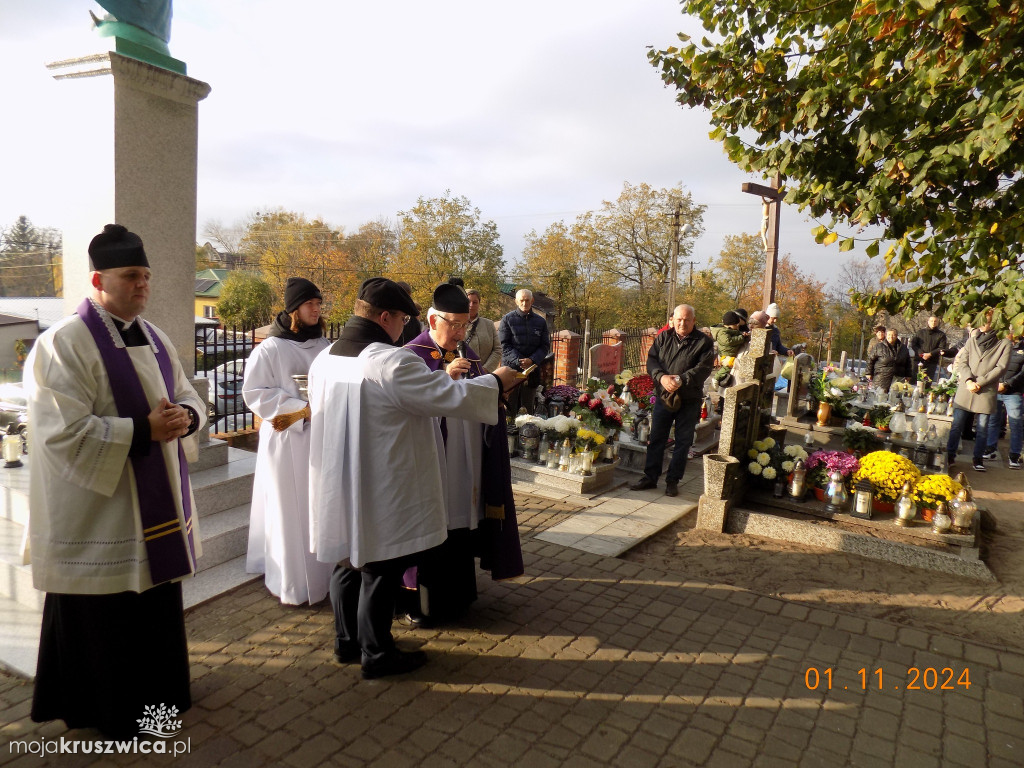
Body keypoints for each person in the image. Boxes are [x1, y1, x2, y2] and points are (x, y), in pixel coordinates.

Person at [25, 224, 204, 738]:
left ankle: (159, 700)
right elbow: (60, 431)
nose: (143, 285)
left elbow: (188, 392)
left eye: (146, 276)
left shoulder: (155, 335)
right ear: (99, 279)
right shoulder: (62, 343)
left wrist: (186, 419)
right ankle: (102, 711)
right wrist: (141, 430)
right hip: (99, 508)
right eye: (132, 276)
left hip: (152, 505)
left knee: (152, 605)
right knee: (103, 615)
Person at [308, 278, 519, 679]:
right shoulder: (389, 361)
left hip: (340, 477)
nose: (404, 327)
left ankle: (345, 642)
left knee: (346, 561)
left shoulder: (326, 358)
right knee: (379, 567)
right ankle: (377, 654)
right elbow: (448, 396)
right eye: (402, 318)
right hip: (382, 479)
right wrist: (496, 380)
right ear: (385, 317)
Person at [403, 283, 523, 624]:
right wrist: (442, 377)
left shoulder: (467, 352)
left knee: (460, 527)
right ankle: (422, 605)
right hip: (433, 463)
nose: (459, 332)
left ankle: (460, 595)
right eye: (453, 324)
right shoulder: (411, 356)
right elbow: (409, 405)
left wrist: (498, 393)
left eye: (463, 325)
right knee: (433, 526)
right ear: (432, 319)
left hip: (466, 460)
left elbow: (483, 396)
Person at [242, 277, 333, 605]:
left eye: (319, 303)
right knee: (288, 509)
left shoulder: (323, 345)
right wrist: (299, 409)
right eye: (310, 303)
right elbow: (254, 393)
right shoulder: (271, 348)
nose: (316, 308)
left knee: (316, 506)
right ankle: (291, 581)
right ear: (294, 308)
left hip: (318, 438)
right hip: (286, 440)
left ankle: (322, 574)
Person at [629, 304, 715, 497]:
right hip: (664, 395)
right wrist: (661, 377)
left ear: (694, 321)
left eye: (686, 320)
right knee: (657, 437)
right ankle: (650, 477)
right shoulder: (663, 337)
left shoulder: (703, 342)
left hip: (689, 398)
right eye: (678, 319)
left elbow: (704, 368)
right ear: (672, 320)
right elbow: (652, 360)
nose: (682, 323)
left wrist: (680, 379)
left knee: (683, 441)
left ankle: (673, 480)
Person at [946, 310, 1012, 472]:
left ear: (994, 322)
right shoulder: (972, 340)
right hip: (966, 389)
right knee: (957, 425)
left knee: (982, 428)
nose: (982, 324)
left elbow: (1001, 368)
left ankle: (977, 459)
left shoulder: (1004, 343)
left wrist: (980, 383)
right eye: (981, 321)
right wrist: (968, 380)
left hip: (986, 390)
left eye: (986, 321)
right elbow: (963, 362)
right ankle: (950, 455)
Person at [499, 288, 550, 414]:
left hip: (532, 372)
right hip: (511, 371)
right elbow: (504, 345)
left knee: (528, 409)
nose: (524, 303)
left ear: (532, 301)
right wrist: (519, 361)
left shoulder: (540, 322)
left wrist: (532, 360)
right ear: (516, 301)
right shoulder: (507, 320)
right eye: (521, 300)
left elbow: (544, 346)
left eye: (527, 300)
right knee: (510, 408)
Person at [982, 331, 1024, 469]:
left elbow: (1022, 373)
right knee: (993, 422)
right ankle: (990, 449)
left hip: (1014, 392)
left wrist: (1007, 384)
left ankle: (1014, 456)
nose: (1008, 334)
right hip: (996, 388)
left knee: (1015, 424)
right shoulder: (999, 345)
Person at [465, 288, 501, 372]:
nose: (471, 305)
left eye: (475, 302)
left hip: (486, 375)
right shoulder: (456, 325)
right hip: (463, 375)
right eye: (468, 302)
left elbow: (497, 350)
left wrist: (485, 369)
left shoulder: (489, 324)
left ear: (479, 304)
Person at [866, 327, 912, 392]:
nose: (891, 337)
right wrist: (869, 373)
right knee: (880, 397)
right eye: (889, 335)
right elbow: (870, 360)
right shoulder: (879, 346)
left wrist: (908, 375)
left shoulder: (903, 348)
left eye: (893, 335)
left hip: (898, 377)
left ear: (896, 336)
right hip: (881, 377)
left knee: (895, 397)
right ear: (886, 335)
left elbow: (908, 362)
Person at [910, 314, 950, 383]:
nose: (933, 323)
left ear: (937, 323)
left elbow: (941, 348)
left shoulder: (941, 335)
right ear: (928, 322)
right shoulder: (920, 332)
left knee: (927, 382)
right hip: (919, 361)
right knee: (914, 381)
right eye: (931, 321)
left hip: (931, 362)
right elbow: (913, 344)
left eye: (935, 321)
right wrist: (921, 354)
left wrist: (930, 354)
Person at [711, 310, 746, 387]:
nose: (737, 326)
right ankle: (716, 378)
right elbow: (729, 341)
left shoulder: (730, 331)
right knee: (726, 368)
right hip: (726, 354)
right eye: (736, 324)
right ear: (730, 325)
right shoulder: (722, 333)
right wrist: (741, 337)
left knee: (728, 369)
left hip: (730, 353)